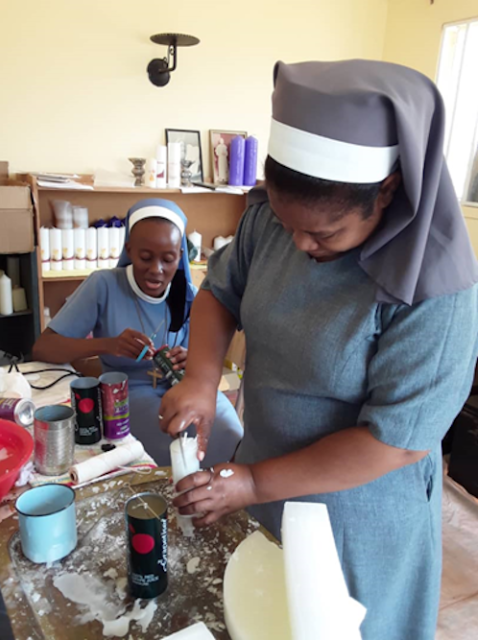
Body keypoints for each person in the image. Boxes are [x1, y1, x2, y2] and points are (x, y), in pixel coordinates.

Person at [159, 60, 478, 640]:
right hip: (265, 482)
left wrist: (254, 482)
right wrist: (202, 380)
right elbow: (219, 292)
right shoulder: (270, 224)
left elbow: (394, 444)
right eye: (287, 225)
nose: (301, 246)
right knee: (265, 613)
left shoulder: (433, 288)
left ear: (387, 190)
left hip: (359, 518)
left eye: (324, 235)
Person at [32, 198, 243, 466]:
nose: (156, 270)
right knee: (171, 439)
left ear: (180, 256)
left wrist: (194, 359)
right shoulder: (103, 286)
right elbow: (43, 348)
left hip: (187, 387)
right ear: (129, 249)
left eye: (168, 259)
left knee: (229, 432)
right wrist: (108, 345)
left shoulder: (190, 296)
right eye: (145, 257)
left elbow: (207, 361)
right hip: (127, 394)